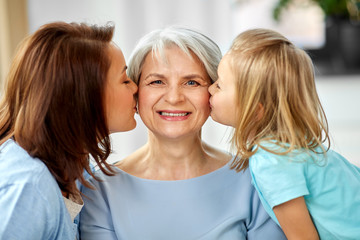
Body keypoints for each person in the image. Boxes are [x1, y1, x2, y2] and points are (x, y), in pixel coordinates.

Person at [79, 26, 286, 240]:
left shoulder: (255, 178)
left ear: (215, 91)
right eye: (157, 81)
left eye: (191, 82)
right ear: (136, 91)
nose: (174, 98)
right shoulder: (99, 188)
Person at [208, 28, 360, 239]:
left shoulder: (271, 161)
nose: (210, 89)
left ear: (255, 109)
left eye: (219, 85)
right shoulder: (295, 145)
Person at [0, 21, 138, 239]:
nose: (135, 88)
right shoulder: (29, 186)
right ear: (86, 97)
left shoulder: (78, 170)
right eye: (125, 80)